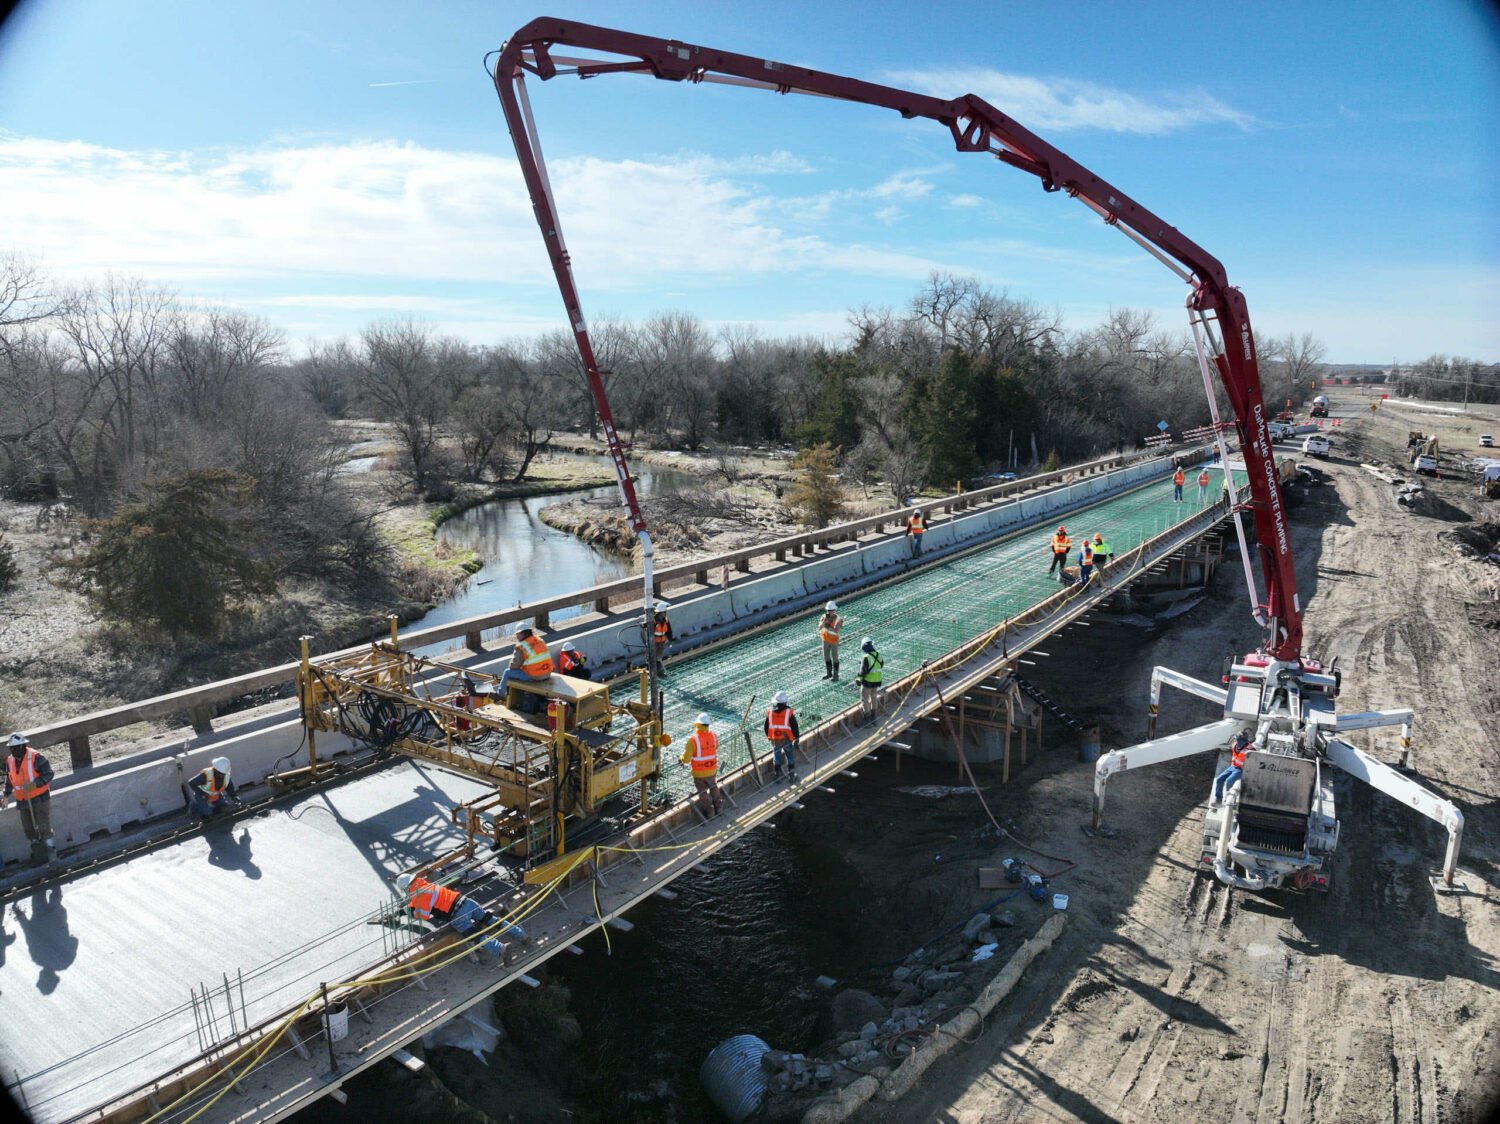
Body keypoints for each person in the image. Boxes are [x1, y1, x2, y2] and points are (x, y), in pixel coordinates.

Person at [397, 872, 524, 954]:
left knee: (473, 935)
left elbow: (423, 914)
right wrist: (404, 910)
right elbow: (418, 902)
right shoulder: (426, 885)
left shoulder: (418, 895)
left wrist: (410, 913)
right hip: (467, 902)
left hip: (457, 914)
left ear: (406, 888)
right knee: (490, 919)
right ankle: (519, 933)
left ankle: (500, 949)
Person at [5, 733, 57, 867]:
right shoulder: (10, 760)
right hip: (22, 800)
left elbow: (49, 774)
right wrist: (5, 796)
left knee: (43, 826)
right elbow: (10, 780)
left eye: (16, 748)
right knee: (29, 828)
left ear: (23, 746)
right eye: (11, 748)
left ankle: (53, 859)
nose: (13, 750)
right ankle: (39, 856)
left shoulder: (36, 757)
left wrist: (34, 784)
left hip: (39, 798)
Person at [680, 713, 724, 818]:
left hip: (699, 772)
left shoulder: (693, 740)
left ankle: (709, 812)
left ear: (697, 725)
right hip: (712, 769)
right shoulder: (714, 736)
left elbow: (686, 759)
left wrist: (680, 758)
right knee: (713, 786)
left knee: (703, 792)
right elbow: (715, 747)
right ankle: (719, 807)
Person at [497, 627, 555, 700]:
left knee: (507, 672)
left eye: (518, 634)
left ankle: (500, 694)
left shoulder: (521, 646)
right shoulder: (540, 640)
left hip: (535, 676)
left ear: (524, 633)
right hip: (547, 673)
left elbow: (513, 667)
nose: (517, 637)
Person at [187, 756, 243, 821]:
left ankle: (210, 808)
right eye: (221, 774)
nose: (223, 776)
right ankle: (194, 806)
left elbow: (229, 787)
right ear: (216, 770)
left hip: (215, 795)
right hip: (202, 796)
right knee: (207, 813)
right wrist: (202, 793)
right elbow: (191, 782)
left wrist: (234, 796)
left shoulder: (226, 775)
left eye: (224, 774)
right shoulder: (206, 775)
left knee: (224, 808)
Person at [764, 691, 801, 784]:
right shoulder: (788, 712)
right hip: (786, 738)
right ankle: (791, 776)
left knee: (777, 757)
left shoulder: (770, 712)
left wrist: (770, 737)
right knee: (790, 756)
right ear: (785, 702)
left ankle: (777, 776)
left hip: (775, 739)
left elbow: (766, 727)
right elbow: (794, 726)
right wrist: (797, 738)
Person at [1212, 733, 1251, 805]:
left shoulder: (1250, 750)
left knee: (1229, 781)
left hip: (1241, 769)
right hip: (1233, 766)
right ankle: (1218, 799)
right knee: (1219, 779)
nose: (1236, 740)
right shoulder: (1235, 744)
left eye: (1237, 739)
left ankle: (1229, 799)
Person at [855, 637, 883, 723]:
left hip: (868, 682)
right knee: (874, 698)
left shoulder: (866, 657)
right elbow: (880, 665)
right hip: (877, 681)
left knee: (865, 700)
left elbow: (863, 672)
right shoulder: (878, 655)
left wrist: (858, 679)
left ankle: (867, 720)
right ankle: (874, 717)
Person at [818, 601, 843, 681]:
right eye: (828, 610)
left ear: (834, 610)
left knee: (835, 657)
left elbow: (837, 631)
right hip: (825, 639)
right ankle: (829, 674)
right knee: (826, 656)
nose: (829, 612)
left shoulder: (838, 619)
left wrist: (828, 627)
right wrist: (824, 622)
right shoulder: (823, 617)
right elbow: (819, 627)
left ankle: (836, 676)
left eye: (831, 610)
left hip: (833, 641)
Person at [651, 601, 673, 679]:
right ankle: (652, 675)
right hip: (655, 643)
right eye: (664, 612)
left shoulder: (665, 619)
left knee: (658, 658)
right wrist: (652, 644)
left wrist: (670, 640)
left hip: (662, 642)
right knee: (652, 659)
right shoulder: (654, 621)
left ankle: (659, 673)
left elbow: (669, 630)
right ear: (661, 613)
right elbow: (650, 633)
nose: (665, 613)